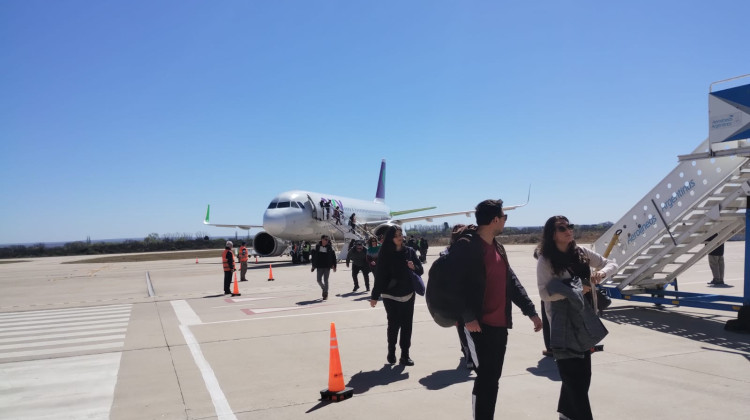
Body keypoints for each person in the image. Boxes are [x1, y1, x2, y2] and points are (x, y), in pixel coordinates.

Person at [450, 199, 542, 420]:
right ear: (494, 220)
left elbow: (511, 281)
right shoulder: (467, 245)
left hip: (500, 325)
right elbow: (453, 283)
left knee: (492, 378)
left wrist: (530, 311)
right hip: (477, 326)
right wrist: (468, 317)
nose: (505, 221)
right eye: (504, 217)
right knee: (486, 378)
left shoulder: (497, 247)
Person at [536, 215, 618, 420]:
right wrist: (573, 290)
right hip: (563, 323)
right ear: (552, 234)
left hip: (585, 318)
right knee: (573, 377)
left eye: (570, 226)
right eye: (562, 228)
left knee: (582, 376)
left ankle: (566, 414)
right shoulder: (546, 259)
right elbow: (544, 293)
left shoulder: (581, 252)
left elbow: (611, 264)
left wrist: (602, 274)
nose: (568, 230)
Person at [369, 226, 423, 366]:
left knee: (407, 325)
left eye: (401, 234)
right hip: (390, 295)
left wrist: (414, 267)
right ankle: (391, 350)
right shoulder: (385, 254)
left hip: (408, 294)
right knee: (393, 324)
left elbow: (420, 270)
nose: (400, 237)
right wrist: (374, 296)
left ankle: (405, 354)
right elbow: (380, 276)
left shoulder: (409, 252)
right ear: (390, 238)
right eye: (396, 235)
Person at [311, 235, 337, 300]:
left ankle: (325, 293)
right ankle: (324, 288)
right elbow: (314, 257)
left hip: (327, 266)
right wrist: (313, 266)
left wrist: (334, 266)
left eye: (327, 240)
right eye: (325, 239)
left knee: (326, 280)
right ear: (322, 239)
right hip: (319, 266)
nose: (327, 241)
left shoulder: (329, 247)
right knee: (318, 280)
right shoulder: (317, 247)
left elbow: (333, 257)